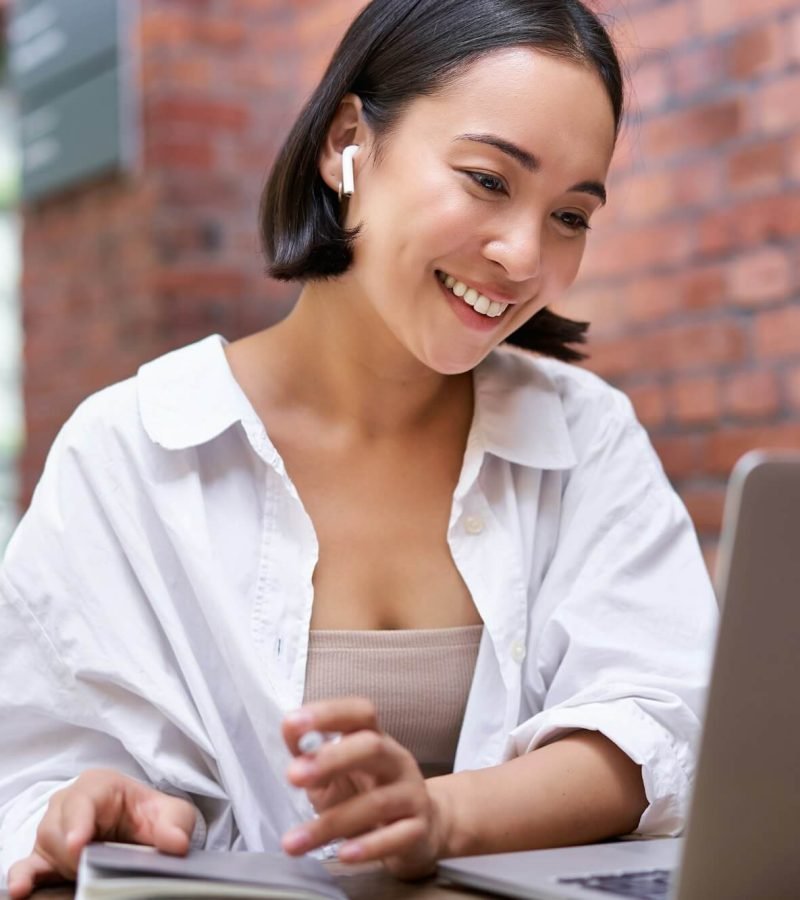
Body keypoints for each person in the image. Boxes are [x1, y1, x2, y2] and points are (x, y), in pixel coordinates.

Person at [0, 0, 718, 895]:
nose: (525, 254)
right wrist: (99, 809)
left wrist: (440, 816)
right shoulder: (131, 452)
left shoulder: (586, 435)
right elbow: (33, 775)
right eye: (490, 180)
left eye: (571, 215)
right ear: (351, 142)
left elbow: (658, 725)